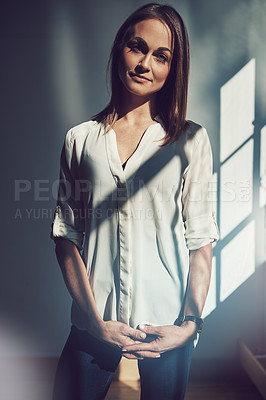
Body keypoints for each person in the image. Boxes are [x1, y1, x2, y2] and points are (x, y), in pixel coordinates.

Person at [50, 3, 219, 399]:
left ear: (173, 68)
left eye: (161, 56)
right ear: (119, 50)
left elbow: (201, 242)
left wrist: (188, 326)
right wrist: (94, 322)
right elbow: (65, 236)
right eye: (137, 47)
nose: (146, 63)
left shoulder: (190, 141)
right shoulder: (80, 139)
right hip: (94, 325)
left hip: (166, 330)